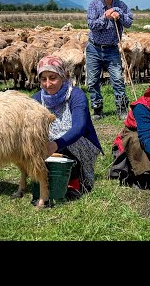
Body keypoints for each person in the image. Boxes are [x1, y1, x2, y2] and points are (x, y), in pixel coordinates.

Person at [32, 55, 103, 201]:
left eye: (53, 78)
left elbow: (79, 127)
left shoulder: (76, 95)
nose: (48, 84)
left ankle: (74, 182)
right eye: (43, 79)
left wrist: (55, 145)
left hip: (79, 142)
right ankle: (46, 179)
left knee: (66, 142)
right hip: (50, 143)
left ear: (63, 76)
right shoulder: (37, 99)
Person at [86, 0, 134, 120]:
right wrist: (105, 17)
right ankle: (97, 109)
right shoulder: (93, 5)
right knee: (93, 81)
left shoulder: (121, 5)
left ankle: (121, 109)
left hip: (112, 48)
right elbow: (92, 25)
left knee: (118, 79)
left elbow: (129, 22)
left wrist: (118, 15)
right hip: (94, 48)